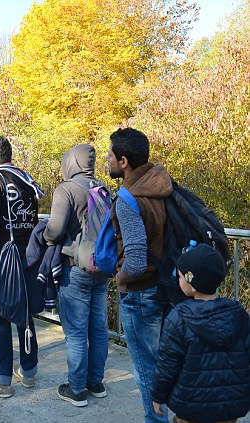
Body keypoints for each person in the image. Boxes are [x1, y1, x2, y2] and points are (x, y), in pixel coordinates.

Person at [106, 127, 173, 422]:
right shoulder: (162, 185)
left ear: (123, 161)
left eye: (109, 155)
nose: (106, 160)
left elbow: (133, 260)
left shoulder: (129, 199)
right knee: (167, 364)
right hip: (167, 286)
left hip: (141, 294)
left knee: (147, 371)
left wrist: (121, 280)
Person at [0, 136, 43, 398]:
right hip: (29, 256)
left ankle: (1, 380)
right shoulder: (26, 179)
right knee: (24, 314)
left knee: (1, 315)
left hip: (4, 258)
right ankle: (29, 371)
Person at [151, 244, 250, 423]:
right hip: (229, 406)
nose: (178, 279)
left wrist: (158, 395)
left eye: (180, 276)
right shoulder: (238, 316)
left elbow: (167, 365)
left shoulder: (179, 318)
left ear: (192, 283)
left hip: (190, 406)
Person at [42, 144, 110, 406]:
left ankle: (77, 389)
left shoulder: (67, 189)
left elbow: (56, 229)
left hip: (75, 268)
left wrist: (45, 238)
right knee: (99, 329)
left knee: (77, 333)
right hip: (102, 267)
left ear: (70, 161)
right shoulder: (103, 188)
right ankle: (96, 383)